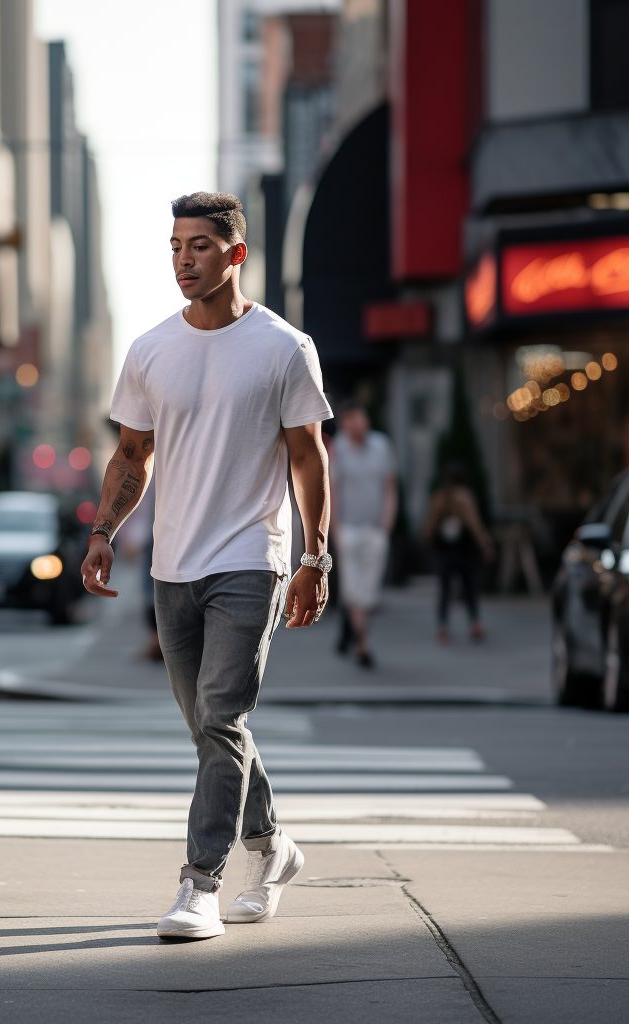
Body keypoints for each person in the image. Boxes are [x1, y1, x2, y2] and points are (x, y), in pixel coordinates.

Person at [81, 191, 332, 941]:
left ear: (235, 254)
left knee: (222, 717)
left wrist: (315, 557)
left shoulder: (285, 347)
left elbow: (307, 458)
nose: (184, 260)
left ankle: (200, 884)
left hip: (251, 557)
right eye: (175, 247)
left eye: (198, 246)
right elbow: (132, 454)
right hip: (173, 564)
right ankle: (273, 845)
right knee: (209, 728)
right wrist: (101, 533)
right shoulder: (152, 348)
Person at [329, 400, 396, 667]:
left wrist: (386, 524)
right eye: (351, 420)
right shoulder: (339, 450)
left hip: (374, 529)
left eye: (360, 418)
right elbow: (333, 492)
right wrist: (335, 531)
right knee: (354, 590)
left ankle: (352, 634)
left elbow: (389, 488)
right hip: (349, 529)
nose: (357, 425)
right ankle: (362, 644)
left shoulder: (381, 446)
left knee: (366, 591)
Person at [421, 461, 494, 643]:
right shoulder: (465, 496)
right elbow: (475, 523)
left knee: (445, 590)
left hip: (445, 550)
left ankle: (443, 626)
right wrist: (485, 545)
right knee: (469, 587)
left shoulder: (439, 497)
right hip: (464, 549)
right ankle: (474, 622)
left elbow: (430, 524)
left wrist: (427, 543)